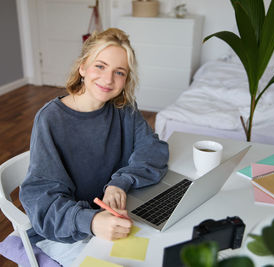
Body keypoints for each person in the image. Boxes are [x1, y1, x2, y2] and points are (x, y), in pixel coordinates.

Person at [20, 28, 169, 249]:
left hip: (120, 214)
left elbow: (153, 150)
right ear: (82, 67)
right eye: (100, 66)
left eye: (119, 72)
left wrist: (120, 183)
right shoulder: (51, 119)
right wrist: (90, 221)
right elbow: (42, 199)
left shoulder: (124, 108)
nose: (108, 79)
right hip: (73, 229)